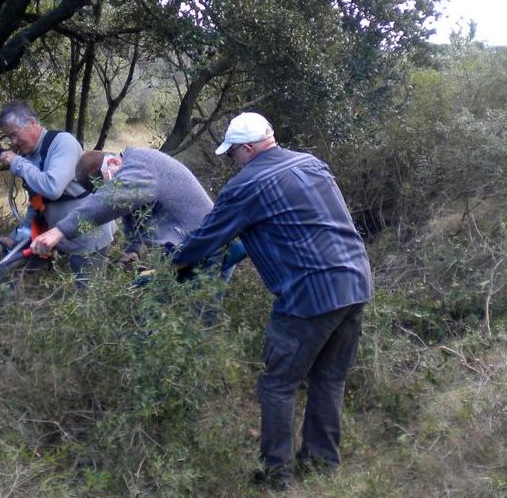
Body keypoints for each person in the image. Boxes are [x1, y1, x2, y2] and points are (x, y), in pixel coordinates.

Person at [170, 112, 373, 489]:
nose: (233, 160)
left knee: (277, 384)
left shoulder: (246, 185)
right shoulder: (311, 163)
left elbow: (207, 238)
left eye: (233, 153)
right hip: (356, 280)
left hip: (309, 294)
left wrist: (170, 264)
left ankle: (277, 477)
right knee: (328, 377)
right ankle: (322, 466)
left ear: (248, 149)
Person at [29, 148, 245, 300]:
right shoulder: (135, 175)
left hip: (209, 247)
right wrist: (132, 250)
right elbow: (136, 219)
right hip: (196, 248)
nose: (109, 190)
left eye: (105, 185)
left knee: (198, 315)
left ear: (113, 163)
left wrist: (59, 231)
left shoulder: (140, 165)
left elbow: (106, 203)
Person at [0, 100, 115, 283]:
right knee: (14, 273)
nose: (13, 142)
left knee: (89, 293)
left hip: (88, 235)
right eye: (9, 137)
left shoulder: (63, 143)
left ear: (32, 123)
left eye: (15, 134)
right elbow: (37, 202)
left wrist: (17, 163)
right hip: (59, 235)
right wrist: (19, 237)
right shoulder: (28, 156)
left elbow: (52, 188)